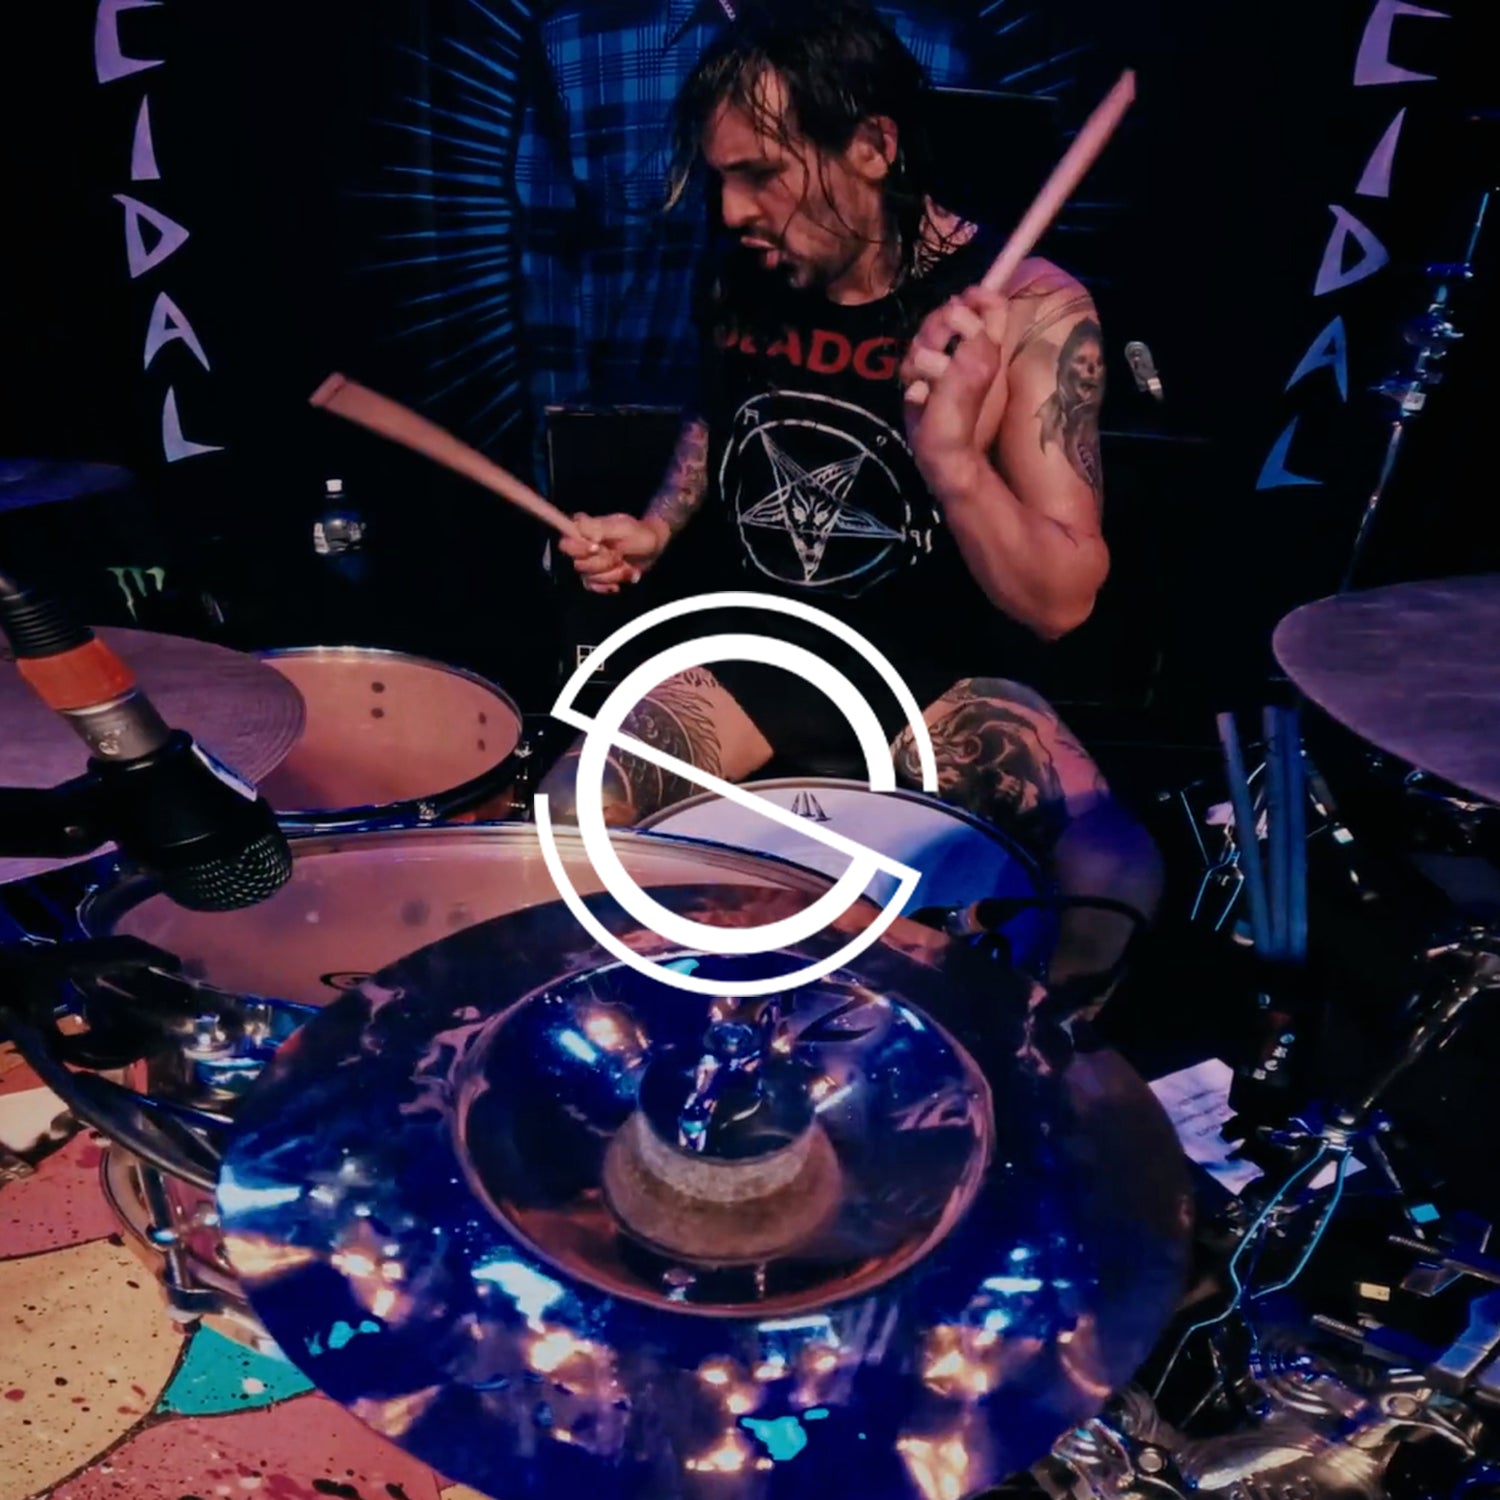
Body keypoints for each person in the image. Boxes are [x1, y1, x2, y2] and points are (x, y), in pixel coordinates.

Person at [540, 0, 1161, 1011]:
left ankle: (1025, 1066)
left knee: (1111, 876)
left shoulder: (1031, 308)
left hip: (940, 682)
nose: (731, 210)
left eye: (760, 173)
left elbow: (1061, 602)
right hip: (758, 657)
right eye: (721, 177)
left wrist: (954, 461)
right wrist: (656, 527)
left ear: (872, 146)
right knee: (571, 809)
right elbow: (714, 415)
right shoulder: (751, 268)